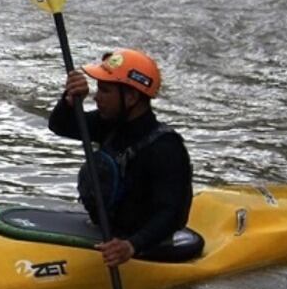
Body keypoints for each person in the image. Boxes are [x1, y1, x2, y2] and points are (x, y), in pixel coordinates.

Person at [48, 48, 193, 267]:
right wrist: (69, 100)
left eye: (105, 90)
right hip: (108, 231)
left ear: (131, 97)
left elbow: (172, 214)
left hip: (146, 245)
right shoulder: (110, 125)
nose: (97, 97)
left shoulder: (166, 148)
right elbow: (60, 125)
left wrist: (132, 245)